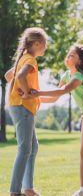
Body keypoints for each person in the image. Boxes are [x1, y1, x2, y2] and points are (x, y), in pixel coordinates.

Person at [30, 45, 83, 196]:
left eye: (72, 55)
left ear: (80, 61)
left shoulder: (79, 76)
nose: (68, 57)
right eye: (68, 54)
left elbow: (63, 90)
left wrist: (37, 92)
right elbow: (54, 98)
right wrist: (34, 99)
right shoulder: (66, 75)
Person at [5, 27, 48, 196]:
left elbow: (9, 76)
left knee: (32, 146)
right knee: (24, 149)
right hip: (22, 107)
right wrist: (27, 92)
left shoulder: (22, 58)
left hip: (19, 107)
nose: (45, 48)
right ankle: (15, 191)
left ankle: (28, 188)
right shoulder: (30, 60)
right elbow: (20, 77)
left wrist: (22, 89)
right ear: (36, 43)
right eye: (44, 44)